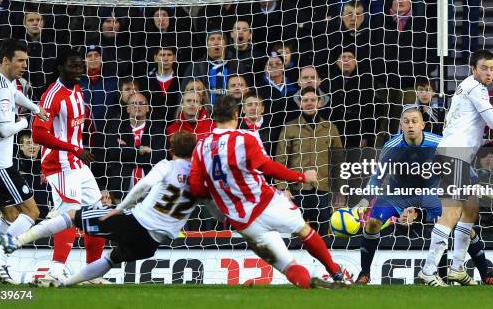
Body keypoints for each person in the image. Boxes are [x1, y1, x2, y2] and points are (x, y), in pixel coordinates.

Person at [0, 131, 199, 288]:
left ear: (171, 150)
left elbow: (143, 186)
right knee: (111, 259)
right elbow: (214, 207)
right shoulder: (201, 178)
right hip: (153, 244)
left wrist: (119, 207)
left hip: (134, 223)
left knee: (73, 215)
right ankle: (64, 283)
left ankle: (16, 241)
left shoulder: (167, 165)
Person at [189, 95, 348, 289]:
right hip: (267, 203)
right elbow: (267, 166)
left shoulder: (201, 146)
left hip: (243, 221)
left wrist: (223, 200)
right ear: (236, 114)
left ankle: (310, 284)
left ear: (213, 116)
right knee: (304, 231)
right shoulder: (244, 138)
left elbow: (196, 188)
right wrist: (301, 177)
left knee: (288, 266)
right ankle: (336, 272)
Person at [355, 106, 493, 285]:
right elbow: (377, 177)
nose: (410, 125)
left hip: (431, 193)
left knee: (463, 224)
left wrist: (475, 184)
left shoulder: (438, 142)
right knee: (372, 223)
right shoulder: (391, 146)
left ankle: (486, 274)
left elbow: (461, 165)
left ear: (423, 124)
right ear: (400, 125)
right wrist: (365, 200)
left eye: (415, 121)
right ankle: (364, 273)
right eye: (406, 122)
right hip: (398, 193)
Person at [418, 50, 493, 286]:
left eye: (492, 68)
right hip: (454, 154)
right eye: (484, 68)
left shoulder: (468, 86)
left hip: (460, 156)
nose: (489, 72)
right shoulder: (476, 89)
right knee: (452, 213)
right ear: (473, 69)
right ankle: (428, 270)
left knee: (471, 210)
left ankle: (457, 268)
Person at [0, 39, 48, 283]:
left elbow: (15, 94)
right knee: (32, 212)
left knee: (9, 216)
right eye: (20, 60)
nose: (25, 65)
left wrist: (35, 108)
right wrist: (28, 122)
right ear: (5, 61)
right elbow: (4, 130)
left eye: (26, 60)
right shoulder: (2, 91)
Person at [31, 49, 106, 284]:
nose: (79, 70)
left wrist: (78, 148)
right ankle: (54, 272)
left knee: (97, 213)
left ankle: (93, 274)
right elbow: (37, 134)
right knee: (70, 214)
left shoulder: (78, 89)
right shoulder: (51, 96)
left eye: (81, 66)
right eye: (74, 66)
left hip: (76, 162)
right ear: (61, 68)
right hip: (59, 163)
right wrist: (73, 148)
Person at [276, 87, 343, 235]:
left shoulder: (331, 128)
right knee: (296, 235)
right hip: (297, 191)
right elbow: (281, 159)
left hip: (324, 191)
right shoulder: (290, 128)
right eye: (305, 100)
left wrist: (339, 188)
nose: (309, 103)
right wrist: (283, 187)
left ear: (319, 102)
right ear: (300, 103)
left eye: (313, 100)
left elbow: (338, 162)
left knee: (323, 235)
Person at [102, 91, 167, 202]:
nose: (137, 106)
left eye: (141, 103)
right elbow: (114, 153)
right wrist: (141, 150)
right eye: (133, 103)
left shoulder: (157, 129)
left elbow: (159, 156)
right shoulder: (116, 128)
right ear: (127, 108)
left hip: (151, 195)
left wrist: (127, 153)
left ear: (147, 108)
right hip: (121, 191)